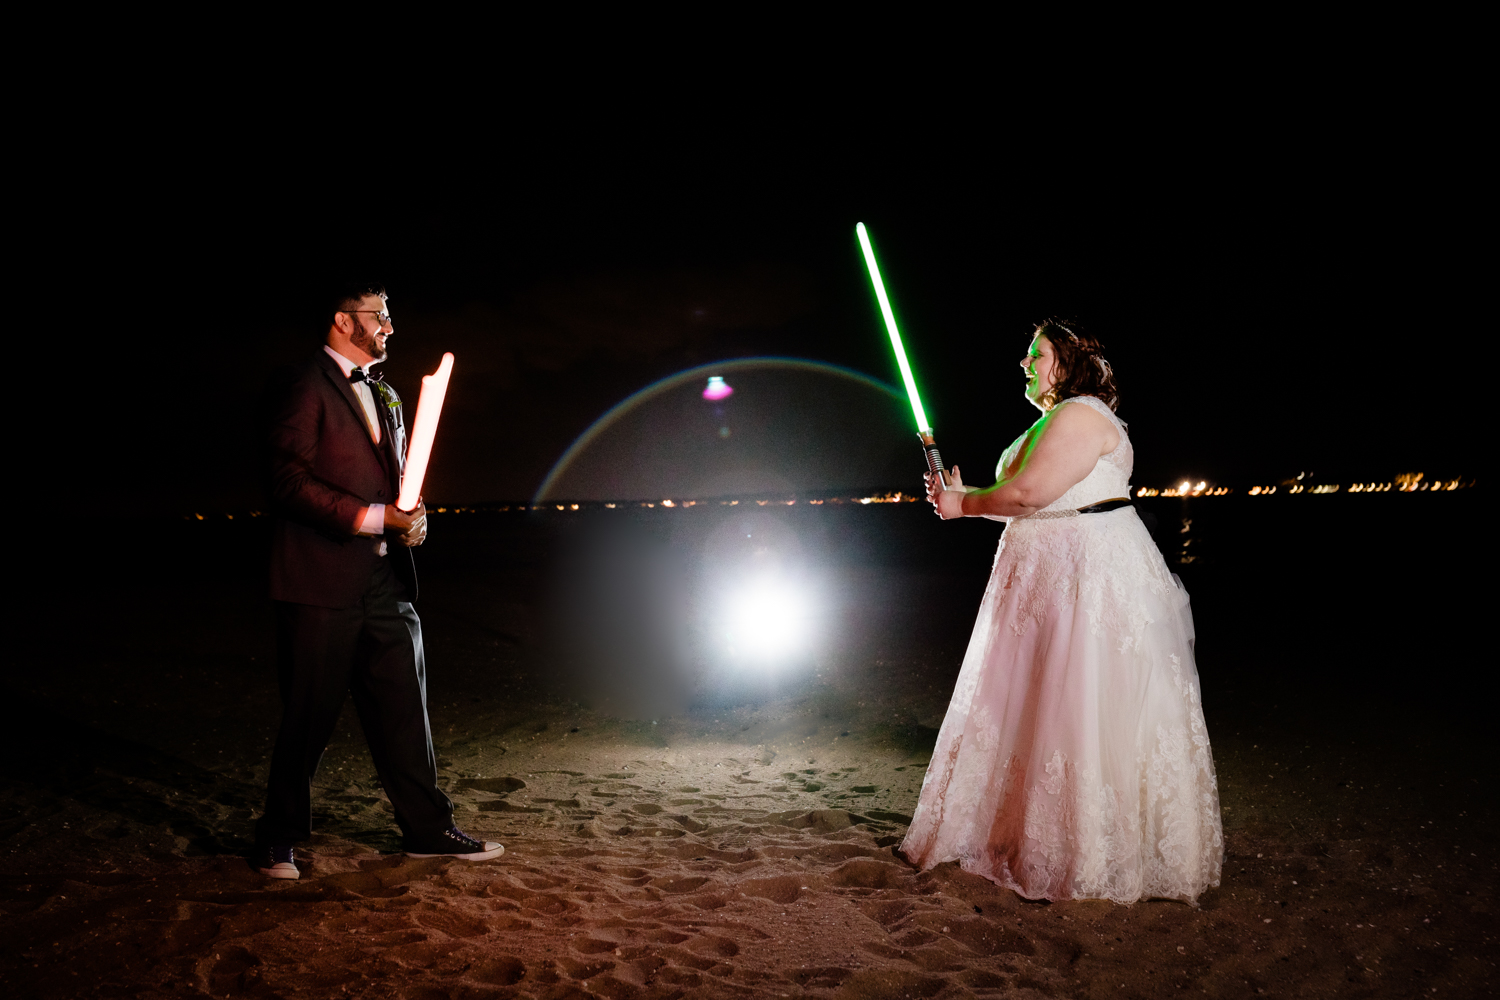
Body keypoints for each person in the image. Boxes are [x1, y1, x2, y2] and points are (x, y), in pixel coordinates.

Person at [899, 319, 1222, 904]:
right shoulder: (1050, 423)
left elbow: (1030, 496)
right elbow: (1031, 506)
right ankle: (1028, 837)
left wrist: (966, 504)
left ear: (1067, 362)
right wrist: (965, 498)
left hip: (1087, 579)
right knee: (1035, 703)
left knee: (1082, 703)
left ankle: (1089, 853)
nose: (1024, 364)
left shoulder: (1080, 415)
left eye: (1035, 354)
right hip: (1045, 578)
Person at [254, 282, 503, 879]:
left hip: (387, 579)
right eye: (380, 316)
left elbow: (393, 483)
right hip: (319, 582)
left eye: (389, 316)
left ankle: (427, 829)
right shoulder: (303, 385)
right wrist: (370, 519)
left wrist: (410, 519)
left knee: (403, 710)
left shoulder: (387, 392)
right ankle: (276, 838)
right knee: (308, 717)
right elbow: (285, 483)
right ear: (344, 320)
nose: (390, 326)